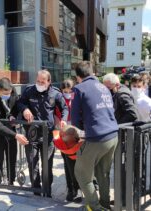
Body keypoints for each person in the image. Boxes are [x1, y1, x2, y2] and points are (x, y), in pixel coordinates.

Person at [71, 61, 119, 210]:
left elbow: (75, 119)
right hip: (112, 135)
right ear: (92, 73)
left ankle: (95, 207)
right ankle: (105, 203)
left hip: (96, 137)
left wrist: (78, 135)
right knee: (103, 173)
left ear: (78, 76)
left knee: (82, 174)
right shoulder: (103, 87)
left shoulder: (79, 89)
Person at [16, 70, 68, 197]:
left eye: (42, 82)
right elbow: (19, 103)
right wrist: (25, 109)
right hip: (31, 133)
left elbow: (64, 108)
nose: (39, 83)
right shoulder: (29, 90)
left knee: (47, 164)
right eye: (38, 81)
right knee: (32, 163)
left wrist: (64, 120)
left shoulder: (55, 93)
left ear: (48, 82)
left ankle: (47, 189)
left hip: (48, 135)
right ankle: (36, 190)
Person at [54, 79, 82, 202]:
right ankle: (71, 189)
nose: (67, 93)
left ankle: (78, 187)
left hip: (76, 134)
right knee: (67, 162)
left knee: (77, 161)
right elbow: (55, 116)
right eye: (65, 91)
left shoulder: (77, 99)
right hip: (63, 135)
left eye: (69, 90)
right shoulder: (59, 100)